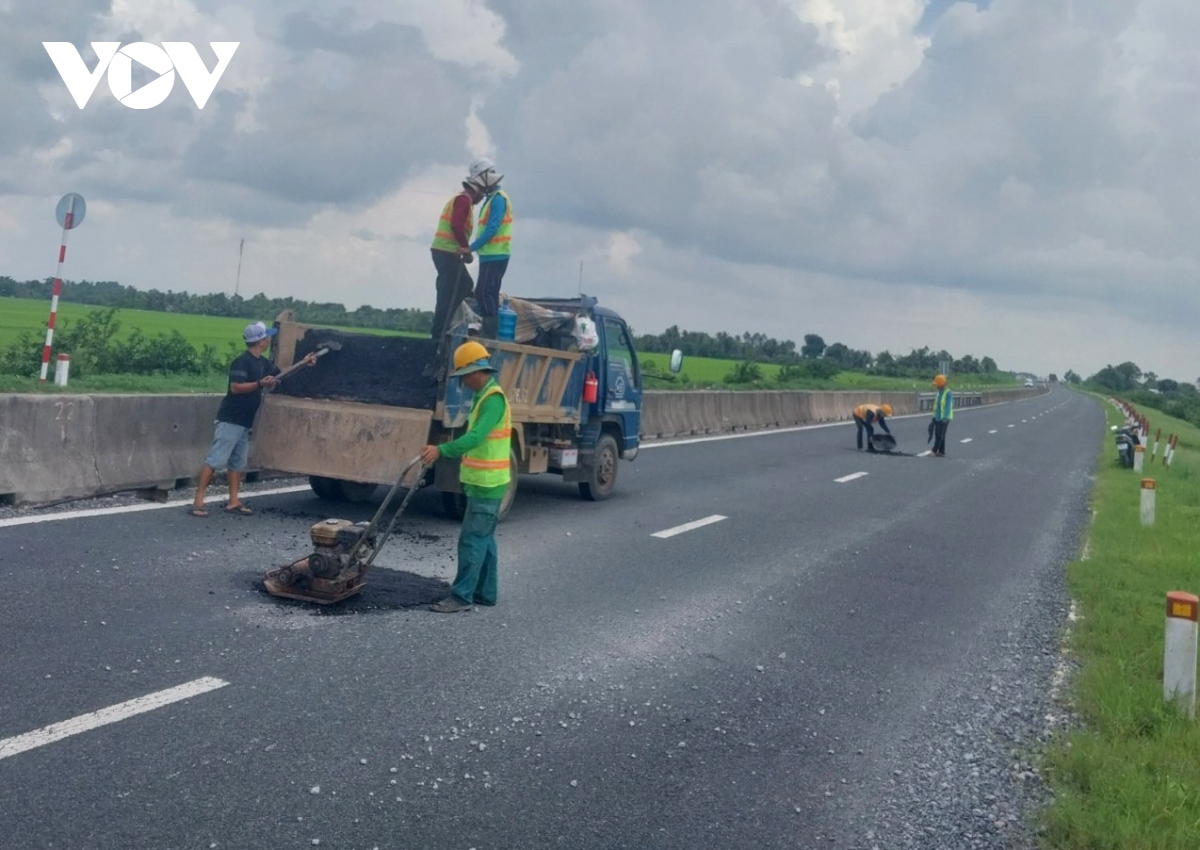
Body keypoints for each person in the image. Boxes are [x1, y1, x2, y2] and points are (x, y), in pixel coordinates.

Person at [189, 322, 315, 516]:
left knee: (238, 463)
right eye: (267, 337)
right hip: (230, 420)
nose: (269, 340)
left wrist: (304, 363)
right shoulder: (242, 362)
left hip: (245, 423)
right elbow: (236, 387)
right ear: (260, 341)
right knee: (216, 459)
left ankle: (233, 501)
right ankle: (198, 500)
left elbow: (281, 374)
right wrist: (259, 383)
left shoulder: (263, 363)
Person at [421, 341, 511, 612]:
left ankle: (461, 596)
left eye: (463, 377)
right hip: (483, 482)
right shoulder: (483, 396)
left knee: (472, 539)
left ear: (475, 371)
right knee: (485, 539)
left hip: (487, 484)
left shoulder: (492, 399)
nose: (463, 383)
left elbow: (475, 438)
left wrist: (441, 450)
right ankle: (486, 592)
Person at [430, 176, 485, 346]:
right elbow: (456, 225)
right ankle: (441, 331)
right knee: (459, 288)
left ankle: (442, 328)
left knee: (452, 290)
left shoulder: (460, 199)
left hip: (444, 251)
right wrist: (465, 248)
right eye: (482, 193)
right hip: (447, 252)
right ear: (476, 191)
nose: (482, 198)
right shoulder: (463, 200)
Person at [466, 157, 512, 336]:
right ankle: (486, 331)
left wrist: (471, 247)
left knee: (485, 293)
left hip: (496, 254)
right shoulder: (491, 198)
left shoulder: (498, 199)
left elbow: (492, 228)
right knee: (485, 293)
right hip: (489, 255)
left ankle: (489, 336)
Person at [930, 374, 953, 457]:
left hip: (944, 418)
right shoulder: (939, 393)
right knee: (938, 434)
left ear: (941, 384)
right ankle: (941, 451)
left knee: (939, 435)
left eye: (937, 384)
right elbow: (936, 406)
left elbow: (948, 407)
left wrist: (944, 418)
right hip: (938, 417)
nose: (936, 386)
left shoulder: (948, 393)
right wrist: (934, 417)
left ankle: (934, 451)